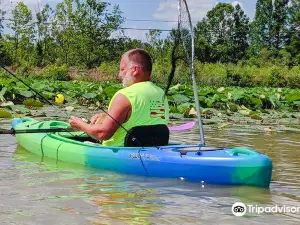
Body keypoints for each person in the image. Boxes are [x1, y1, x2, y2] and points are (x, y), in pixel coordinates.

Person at [68, 48, 169, 146]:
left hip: (120, 156)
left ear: (135, 70)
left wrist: (80, 125)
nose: (119, 74)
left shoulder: (125, 95)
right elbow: (141, 119)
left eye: (122, 69)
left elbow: (103, 134)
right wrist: (105, 117)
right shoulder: (161, 93)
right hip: (153, 150)